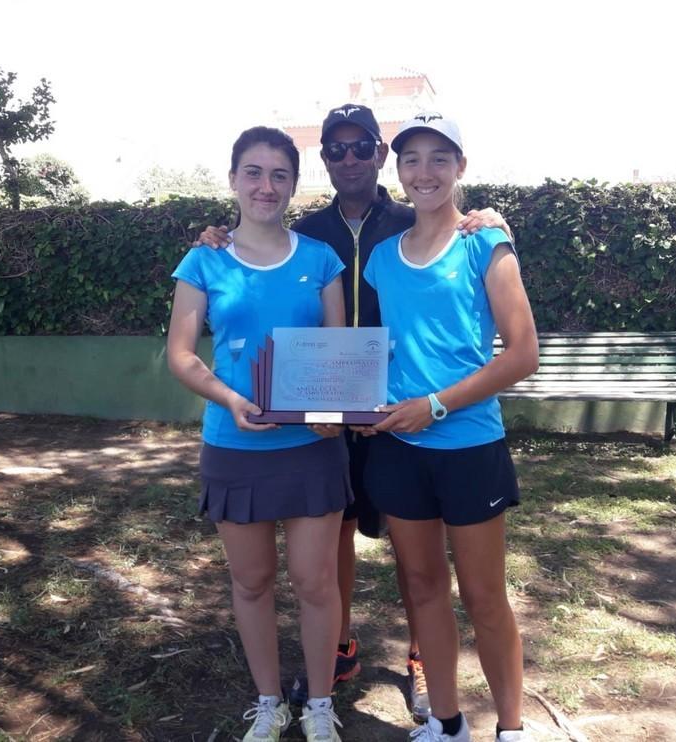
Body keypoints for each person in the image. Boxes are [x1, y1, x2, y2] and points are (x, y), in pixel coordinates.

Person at [195, 104, 513, 722]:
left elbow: (461, 256)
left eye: (360, 146)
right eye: (335, 149)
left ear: (376, 154)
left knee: (410, 550)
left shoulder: (414, 219)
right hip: (327, 409)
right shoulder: (308, 232)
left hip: (403, 411)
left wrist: (487, 220)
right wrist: (217, 237)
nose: (348, 158)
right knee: (334, 533)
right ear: (324, 161)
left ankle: (423, 657)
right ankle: (340, 649)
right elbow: (254, 253)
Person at [359, 113, 540, 742]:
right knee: (424, 587)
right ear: (398, 171)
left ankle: (511, 729)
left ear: (460, 167)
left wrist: (434, 405)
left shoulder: (485, 244)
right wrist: (363, 404)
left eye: (440, 158)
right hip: (399, 449)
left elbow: (522, 354)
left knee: (485, 598)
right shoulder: (382, 258)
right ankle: (447, 722)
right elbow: (384, 349)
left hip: (469, 448)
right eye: (412, 159)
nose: (424, 171)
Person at [167, 126, 349, 742]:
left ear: (294, 186)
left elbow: (338, 355)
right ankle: (268, 702)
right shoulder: (203, 260)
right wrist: (231, 399)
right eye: (253, 172)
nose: (265, 185)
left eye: (278, 175)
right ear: (233, 180)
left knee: (315, 582)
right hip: (235, 445)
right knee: (251, 581)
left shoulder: (322, 261)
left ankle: (320, 704)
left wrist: (336, 409)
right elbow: (183, 357)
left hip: (310, 449)